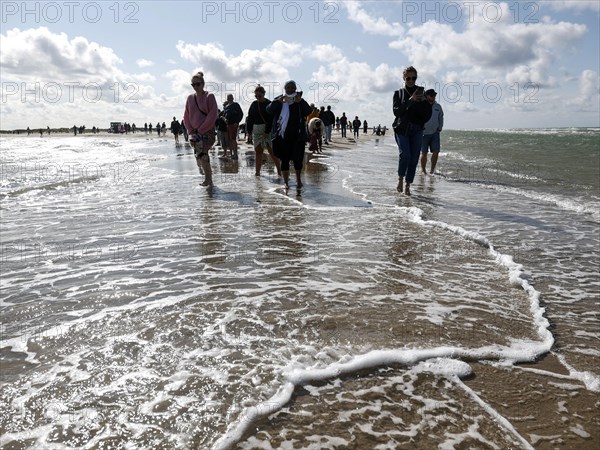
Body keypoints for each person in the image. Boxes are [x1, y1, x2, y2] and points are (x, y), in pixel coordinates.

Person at [392, 66, 432, 195]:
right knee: (405, 155)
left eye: (413, 78)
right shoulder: (399, 93)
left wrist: (426, 102)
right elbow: (397, 111)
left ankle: (408, 184)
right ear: (404, 78)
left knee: (414, 158)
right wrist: (410, 101)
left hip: (417, 129)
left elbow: (427, 113)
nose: (411, 80)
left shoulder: (422, 93)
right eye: (408, 78)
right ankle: (400, 178)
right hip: (402, 129)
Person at [267, 80, 312, 190]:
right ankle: (286, 182)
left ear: (295, 89)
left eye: (293, 87)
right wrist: (277, 102)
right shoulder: (280, 99)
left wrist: (300, 102)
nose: (290, 89)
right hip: (282, 136)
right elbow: (269, 110)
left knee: (298, 160)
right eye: (288, 87)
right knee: (284, 159)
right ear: (285, 88)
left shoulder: (299, 100)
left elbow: (308, 111)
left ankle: (298, 180)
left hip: (298, 136)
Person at [183, 71, 218, 187]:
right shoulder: (190, 98)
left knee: (203, 155)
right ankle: (208, 179)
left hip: (207, 132)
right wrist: (191, 131)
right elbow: (186, 116)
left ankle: (208, 180)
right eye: (193, 85)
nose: (195, 87)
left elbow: (212, 115)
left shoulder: (209, 96)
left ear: (203, 84)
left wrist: (201, 130)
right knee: (200, 157)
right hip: (194, 134)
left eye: (197, 84)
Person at [247, 85, 281, 177]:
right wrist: (249, 131)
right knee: (258, 152)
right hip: (256, 129)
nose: (258, 98)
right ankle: (257, 172)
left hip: (267, 129)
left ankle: (279, 170)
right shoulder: (254, 104)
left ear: (264, 94)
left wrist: (267, 131)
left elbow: (271, 119)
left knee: (271, 152)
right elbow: (250, 118)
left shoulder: (269, 104)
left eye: (259, 96)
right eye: (256, 96)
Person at [421, 89, 444, 175]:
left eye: (434, 95)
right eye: (431, 95)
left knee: (436, 152)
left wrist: (440, 127)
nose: (433, 97)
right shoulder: (422, 106)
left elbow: (441, 117)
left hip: (435, 133)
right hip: (423, 133)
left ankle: (432, 170)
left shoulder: (438, 106)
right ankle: (423, 170)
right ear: (426, 96)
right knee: (424, 153)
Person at [223, 94, 243, 160]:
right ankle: (231, 154)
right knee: (229, 140)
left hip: (233, 125)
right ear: (227, 99)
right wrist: (225, 119)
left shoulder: (235, 105)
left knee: (233, 139)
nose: (230, 99)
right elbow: (224, 115)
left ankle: (235, 154)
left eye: (231, 97)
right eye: (228, 98)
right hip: (227, 125)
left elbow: (241, 114)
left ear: (233, 98)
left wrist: (237, 122)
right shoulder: (226, 107)